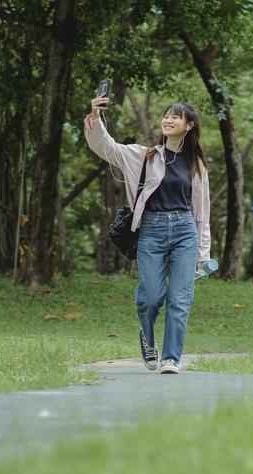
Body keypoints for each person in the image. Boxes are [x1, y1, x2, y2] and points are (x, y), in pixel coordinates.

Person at [84, 96, 212, 375]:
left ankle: (171, 358)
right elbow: (107, 147)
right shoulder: (145, 156)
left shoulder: (196, 165)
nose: (168, 119)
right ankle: (147, 335)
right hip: (151, 231)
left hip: (184, 232)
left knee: (180, 299)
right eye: (166, 115)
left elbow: (202, 214)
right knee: (150, 297)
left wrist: (203, 255)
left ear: (188, 126)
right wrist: (95, 116)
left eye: (175, 117)